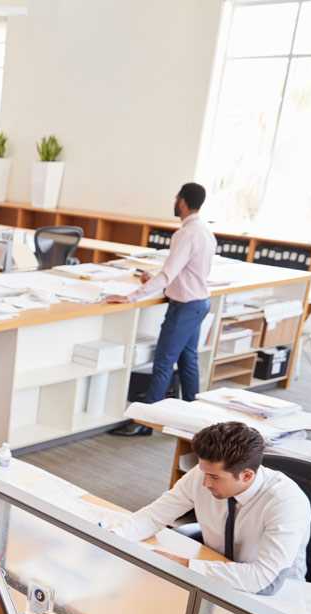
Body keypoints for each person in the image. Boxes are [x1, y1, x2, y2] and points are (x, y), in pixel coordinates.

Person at [111, 421, 311, 595]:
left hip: (272, 598)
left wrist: (183, 565)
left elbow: (263, 580)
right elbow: (154, 516)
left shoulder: (286, 502)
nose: (205, 483)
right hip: (213, 576)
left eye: (214, 477)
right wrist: (111, 537)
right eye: (203, 472)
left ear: (247, 476)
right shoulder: (203, 474)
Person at [110, 182, 217, 437]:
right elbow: (183, 272)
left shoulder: (186, 234)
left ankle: (145, 422)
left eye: (176, 198)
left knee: (163, 363)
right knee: (188, 360)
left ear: (182, 201)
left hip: (184, 308)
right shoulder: (205, 231)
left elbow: (169, 274)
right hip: (198, 303)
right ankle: (194, 417)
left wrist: (132, 296)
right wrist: (154, 279)